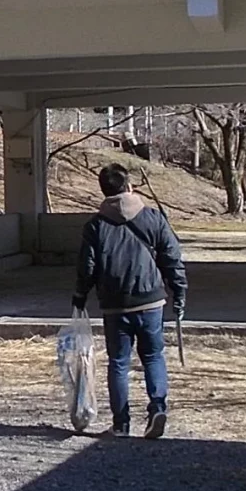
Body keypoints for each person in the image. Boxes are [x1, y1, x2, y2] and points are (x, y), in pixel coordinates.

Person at [70, 162, 188, 439]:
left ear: (104, 191)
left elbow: (87, 266)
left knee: (119, 363)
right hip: (151, 301)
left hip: (115, 304)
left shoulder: (96, 226)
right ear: (129, 186)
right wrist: (179, 291)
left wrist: (80, 296)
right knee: (153, 356)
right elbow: (172, 258)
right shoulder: (154, 218)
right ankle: (157, 407)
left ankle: (121, 424)